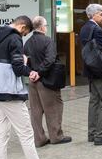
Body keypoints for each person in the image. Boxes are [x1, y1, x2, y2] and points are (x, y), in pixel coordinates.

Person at [0, 15, 62, 159]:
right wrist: (29, 69)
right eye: (25, 32)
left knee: (1, 133)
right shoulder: (15, 38)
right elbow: (17, 66)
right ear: (22, 26)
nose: (24, 35)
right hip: (10, 93)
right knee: (26, 135)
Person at [24, 16, 72, 147]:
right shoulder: (48, 41)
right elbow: (50, 59)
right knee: (54, 108)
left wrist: (31, 73)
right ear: (42, 27)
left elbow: (24, 60)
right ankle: (56, 136)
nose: (46, 27)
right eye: (46, 25)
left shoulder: (27, 42)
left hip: (33, 81)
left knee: (36, 111)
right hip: (47, 81)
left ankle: (39, 139)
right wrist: (39, 73)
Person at [79, 4, 102, 146]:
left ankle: (92, 133)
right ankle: (100, 136)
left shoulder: (84, 28)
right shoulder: (97, 30)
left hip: (90, 69)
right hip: (101, 70)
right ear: (93, 15)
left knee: (94, 101)